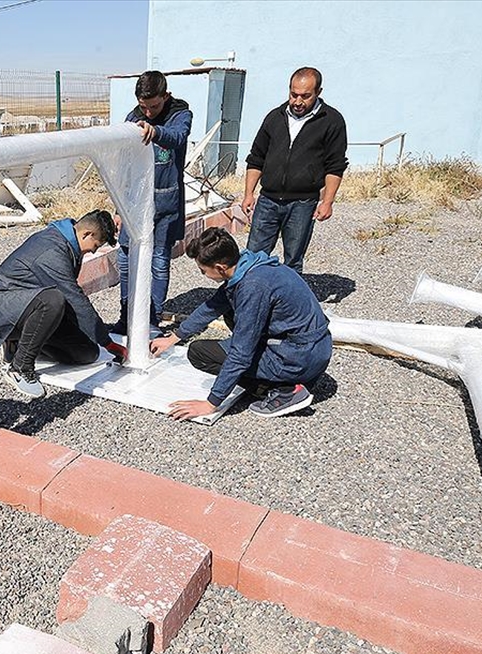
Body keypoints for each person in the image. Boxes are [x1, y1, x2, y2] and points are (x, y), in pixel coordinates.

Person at [149, 227, 332, 419]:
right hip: (311, 348)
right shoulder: (249, 265)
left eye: (203, 271)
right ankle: (285, 380)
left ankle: (285, 390)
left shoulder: (253, 287)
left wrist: (211, 403)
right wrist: (174, 337)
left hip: (300, 358)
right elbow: (211, 307)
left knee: (199, 353)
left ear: (220, 267)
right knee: (228, 311)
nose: (204, 275)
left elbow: (241, 353)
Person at [0, 210, 128, 398]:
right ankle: (19, 368)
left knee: (87, 353)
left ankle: (17, 343)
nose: (94, 251)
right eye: (95, 245)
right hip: (0, 305)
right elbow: (75, 299)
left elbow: (72, 303)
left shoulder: (70, 244)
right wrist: (108, 343)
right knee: (53, 300)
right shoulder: (52, 250)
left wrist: (95, 337)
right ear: (86, 234)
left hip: (30, 304)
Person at [241, 66, 348, 274]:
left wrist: (327, 202)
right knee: (252, 257)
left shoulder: (331, 121)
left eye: (305, 96)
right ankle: (249, 301)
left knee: (293, 261)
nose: (298, 101)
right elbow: (256, 158)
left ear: (318, 92)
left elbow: (335, 165)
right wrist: (248, 194)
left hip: (302, 203)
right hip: (268, 200)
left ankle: (288, 304)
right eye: (293, 94)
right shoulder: (274, 117)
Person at [111, 70, 192, 336]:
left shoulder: (180, 113)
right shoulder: (132, 118)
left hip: (165, 205)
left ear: (166, 96)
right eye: (144, 107)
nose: (148, 112)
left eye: (154, 106)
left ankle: (151, 320)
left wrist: (154, 131)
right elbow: (124, 166)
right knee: (125, 260)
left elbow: (177, 138)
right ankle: (127, 317)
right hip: (134, 204)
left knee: (158, 261)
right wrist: (118, 207)